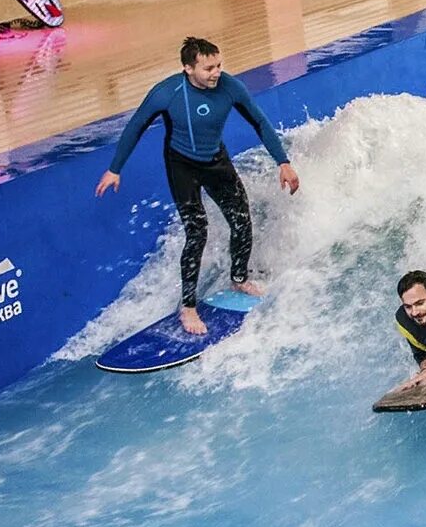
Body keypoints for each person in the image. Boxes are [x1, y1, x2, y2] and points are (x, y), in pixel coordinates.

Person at [96, 36, 300, 336]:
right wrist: (115, 169)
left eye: (218, 65)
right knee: (197, 231)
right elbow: (136, 124)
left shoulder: (230, 87)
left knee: (242, 221)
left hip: (216, 161)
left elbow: (259, 121)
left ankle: (239, 278)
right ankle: (188, 306)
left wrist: (283, 161)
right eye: (208, 68)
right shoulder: (168, 92)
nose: (216, 72)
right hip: (182, 166)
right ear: (188, 68)